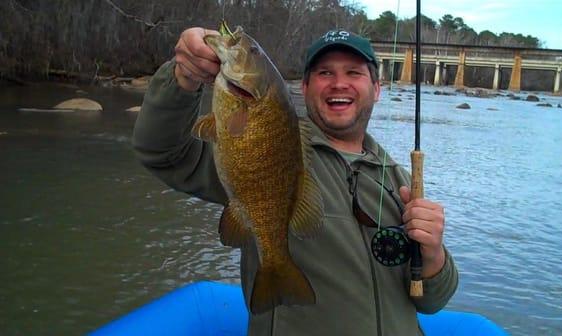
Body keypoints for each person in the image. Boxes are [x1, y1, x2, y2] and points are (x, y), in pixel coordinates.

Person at [133, 27, 458, 336]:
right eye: (325, 72)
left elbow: (431, 302)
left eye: (354, 73)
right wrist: (183, 78)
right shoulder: (272, 146)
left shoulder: (399, 180)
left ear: (376, 89)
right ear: (304, 88)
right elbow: (163, 152)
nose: (338, 83)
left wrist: (433, 257)